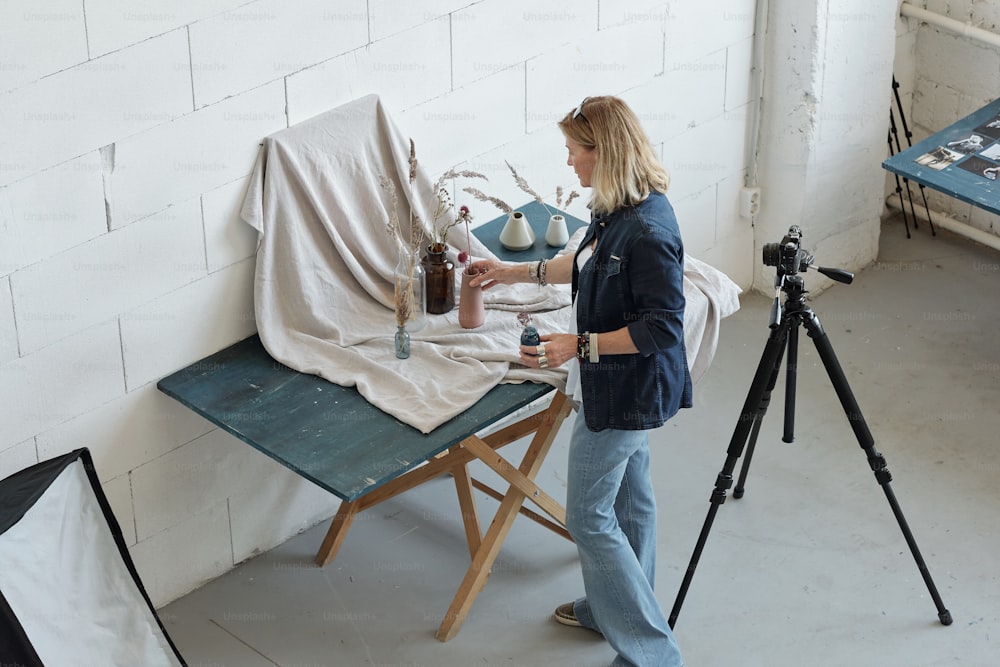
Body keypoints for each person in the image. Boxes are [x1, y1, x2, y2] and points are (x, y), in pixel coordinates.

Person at [469, 95, 690, 667]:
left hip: (627, 388)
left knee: (588, 516)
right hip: (614, 381)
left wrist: (579, 345)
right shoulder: (615, 206)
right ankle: (610, 605)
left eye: (573, 151)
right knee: (629, 501)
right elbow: (587, 262)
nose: (568, 162)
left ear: (603, 152)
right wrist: (511, 272)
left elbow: (662, 329)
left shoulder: (649, 230)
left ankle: (653, 654)